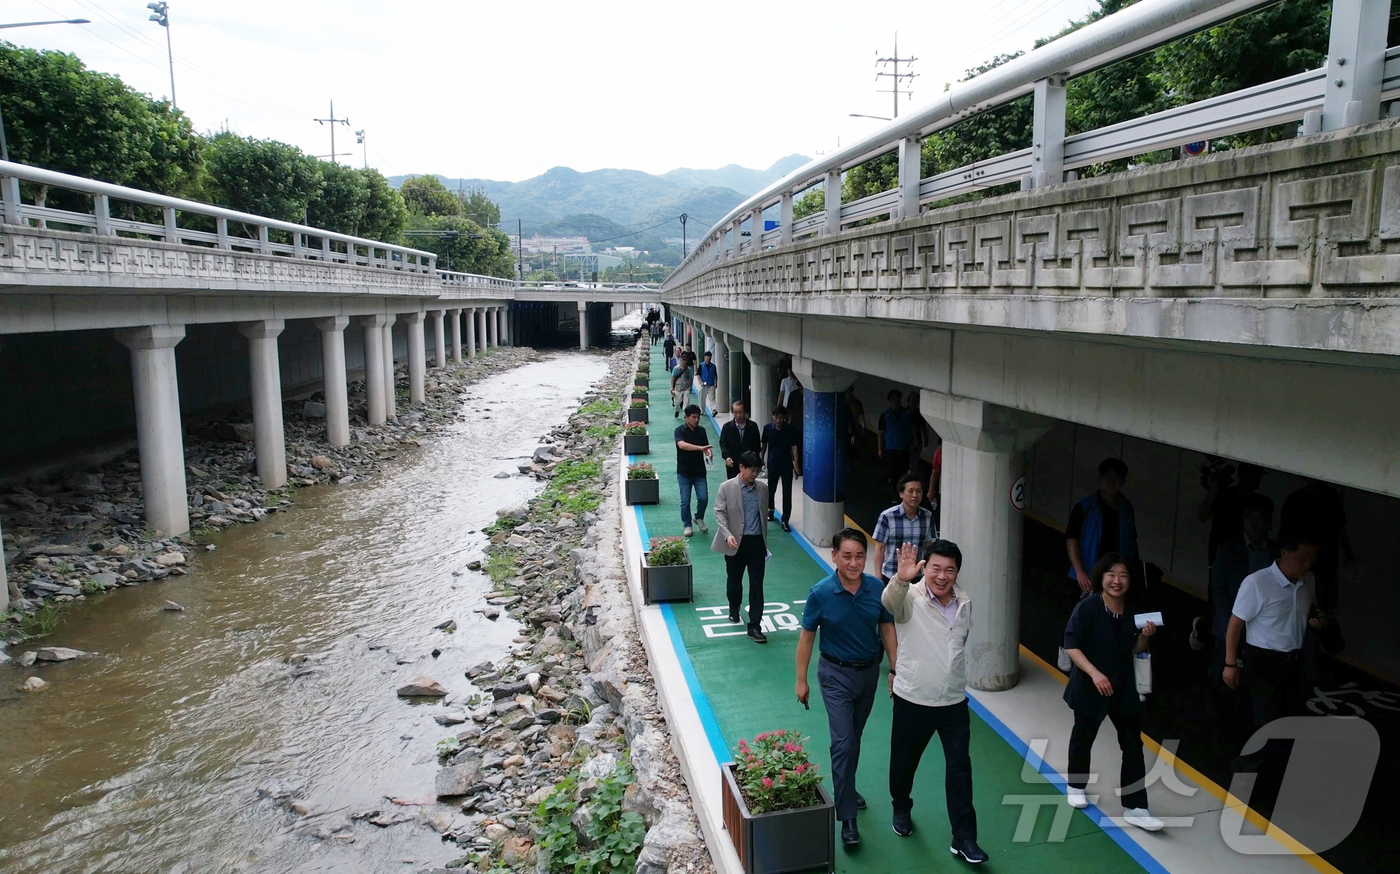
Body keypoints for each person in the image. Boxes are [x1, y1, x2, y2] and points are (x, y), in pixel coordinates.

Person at [882, 540, 986, 863]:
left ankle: (964, 838)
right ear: (925, 567)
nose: (942, 576)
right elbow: (889, 603)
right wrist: (901, 578)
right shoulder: (909, 598)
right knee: (904, 762)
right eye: (936, 568)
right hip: (913, 698)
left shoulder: (964, 602)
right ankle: (901, 806)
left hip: (954, 702)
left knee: (960, 770)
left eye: (950, 570)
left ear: (957, 572)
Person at [797, 529, 897, 848]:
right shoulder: (821, 593)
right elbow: (807, 637)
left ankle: (847, 787)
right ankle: (847, 818)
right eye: (847, 556)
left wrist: (895, 669)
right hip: (834, 675)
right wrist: (802, 679)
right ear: (835, 557)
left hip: (867, 675)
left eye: (859, 556)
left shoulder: (877, 589)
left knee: (854, 738)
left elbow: (887, 628)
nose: (854, 563)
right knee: (842, 743)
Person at [1062, 553, 1163, 832]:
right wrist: (1094, 674)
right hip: (1091, 685)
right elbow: (1071, 645)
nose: (1117, 581)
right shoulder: (1088, 606)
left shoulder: (1134, 610)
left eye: (1123, 575)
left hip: (1123, 686)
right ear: (1101, 577)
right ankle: (1076, 785)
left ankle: (1137, 806)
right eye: (1111, 574)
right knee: (1083, 736)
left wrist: (1145, 636)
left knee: (1132, 744)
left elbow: (1137, 652)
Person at [1223, 529, 1329, 771]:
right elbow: (1235, 624)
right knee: (1266, 718)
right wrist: (1230, 664)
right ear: (1284, 553)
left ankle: (1275, 767)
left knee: (1291, 713)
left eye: (1312, 558)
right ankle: (1247, 768)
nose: (1307, 564)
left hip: (1295, 658)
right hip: (1263, 659)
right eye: (1303, 557)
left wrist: (1317, 621)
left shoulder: (1308, 581)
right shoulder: (1258, 583)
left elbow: (1307, 611)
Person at [1208, 494, 1277, 730]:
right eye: (1250, 517)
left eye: (1261, 518)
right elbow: (1218, 588)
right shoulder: (1229, 548)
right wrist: (1231, 623)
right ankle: (1217, 719)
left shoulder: (1277, 553)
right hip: (1231, 623)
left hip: (1265, 629)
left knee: (1255, 679)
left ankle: (1244, 721)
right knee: (1223, 670)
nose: (1255, 523)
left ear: (1270, 522)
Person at [1063, 458, 1138, 670]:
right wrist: (1079, 571)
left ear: (1123, 481)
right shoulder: (1085, 507)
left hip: (1115, 573)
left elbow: (1132, 541)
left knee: (1111, 613)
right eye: (1107, 478)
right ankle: (1068, 650)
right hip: (1088, 572)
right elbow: (1071, 538)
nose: (1111, 482)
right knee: (1080, 614)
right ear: (1100, 479)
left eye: (1117, 478)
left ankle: (1104, 654)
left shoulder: (1126, 507)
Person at [1190, 461, 1265, 651]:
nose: (1257, 479)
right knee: (1217, 598)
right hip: (1220, 554)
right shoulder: (1226, 495)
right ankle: (1205, 630)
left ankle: (1230, 643)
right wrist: (1214, 490)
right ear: (1242, 474)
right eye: (1253, 474)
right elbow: (1201, 515)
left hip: (1247, 555)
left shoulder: (1260, 502)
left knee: (1240, 599)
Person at [712, 451, 770, 644]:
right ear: (741, 468)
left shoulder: (762, 489)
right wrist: (727, 534)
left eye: (758, 470)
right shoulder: (726, 487)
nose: (755, 474)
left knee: (757, 585)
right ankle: (734, 607)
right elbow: (719, 512)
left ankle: (754, 626)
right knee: (734, 580)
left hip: (756, 543)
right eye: (752, 470)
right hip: (735, 542)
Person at [1280, 480, 1353, 614]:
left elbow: (1341, 528)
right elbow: (1285, 535)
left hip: (1326, 561)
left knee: (1324, 605)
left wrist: (1349, 554)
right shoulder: (1296, 498)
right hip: (1303, 562)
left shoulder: (1332, 496)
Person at [872, 473, 936, 584]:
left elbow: (929, 547)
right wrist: (878, 577)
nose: (915, 495)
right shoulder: (887, 516)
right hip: (892, 575)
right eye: (910, 491)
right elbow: (880, 548)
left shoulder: (927, 516)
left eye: (919, 491)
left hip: (918, 577)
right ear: (901, 494)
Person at [673, 405, 712, 538]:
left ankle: (699, 517)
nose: (696, 420)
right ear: (686, 418)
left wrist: (709, 453)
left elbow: (706, 447)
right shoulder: (679, 431)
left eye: (698, 417)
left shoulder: (702, 431)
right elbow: (682, 445)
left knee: (703, 498)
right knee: (685, 500)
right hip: (684, 472)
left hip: (700, 472)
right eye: (693, 417)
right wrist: (700, 448)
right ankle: (687, 525)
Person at [761, 405, 800, 532]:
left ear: (784, 418)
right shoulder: (767, 429)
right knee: (770, 490)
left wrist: (796, 463)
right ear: (772, 416)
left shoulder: (790, 430)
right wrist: (761, 459)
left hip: (786, 465)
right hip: (772, 464)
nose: (777, 420)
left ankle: (785, 520)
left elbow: (794, 447)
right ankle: (770, 509)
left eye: (780, 417)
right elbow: (764, 445)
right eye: (775, 417)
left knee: (787, 493)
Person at [877, 390, 914, 496]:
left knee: (904, 471)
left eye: (897, 398)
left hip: (904, 447)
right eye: (893, 399)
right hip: (891, 448)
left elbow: (912, 428)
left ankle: (901, 491)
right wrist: (880, 448)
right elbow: (881, 433)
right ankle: (894, 492)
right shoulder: (885, 415)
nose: (896, 401)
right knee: (893, 472)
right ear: (890, 401)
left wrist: (914, 441)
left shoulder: (907, 414)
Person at [720, 401, 762, 481]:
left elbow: (757, 445)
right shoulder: (727, 427)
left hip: (749, 465)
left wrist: (755, 460)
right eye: (735, 412)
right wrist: (727, 457)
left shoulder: (752, 426)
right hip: (733, 463)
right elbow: (723, 444)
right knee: (733, 488)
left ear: (744, 411)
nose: (738, 415)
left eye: (740, 412)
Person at [670, 353, 695, 418]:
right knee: (677, 403)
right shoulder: (676, 368)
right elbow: (673, 378)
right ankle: (677, 411)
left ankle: (685, 414)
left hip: (686, 388)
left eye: (685, 360)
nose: (684, 361)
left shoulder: (689, 369)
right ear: (681, 360)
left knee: (686, 402)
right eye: (683, 360)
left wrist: (690, 387)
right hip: (678, 387)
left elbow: (690, 378)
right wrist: (672, 387)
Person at [846, 386, 866, 462]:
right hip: (846, 429)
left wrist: (863, 428)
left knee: (852, 448)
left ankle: (850, 463)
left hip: (853, 429)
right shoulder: (843, 402)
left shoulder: (856, 403)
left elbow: (861, 416)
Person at [698, 351, 718, 416]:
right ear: (705, 357)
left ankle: (714, 410)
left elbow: (715, 376)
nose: (708, 358)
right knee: (702, 398)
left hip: (711, 384)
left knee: (711, 398)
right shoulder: (701, 365)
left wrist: (715, 383)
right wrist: (701, 382)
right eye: (707, 356)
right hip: (703, 385)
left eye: (709, 356)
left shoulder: (713, 366)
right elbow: (698, 375)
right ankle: (702, 410)